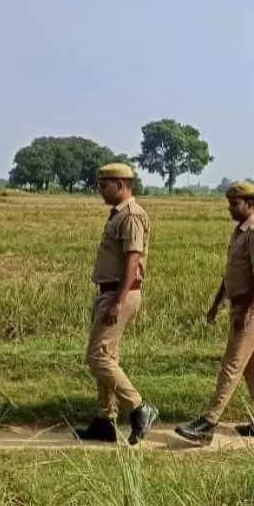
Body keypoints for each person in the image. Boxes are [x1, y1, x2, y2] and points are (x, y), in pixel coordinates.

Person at [175, 181, 254, 445]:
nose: (230, 208)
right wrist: (216, 304)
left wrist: (248, 311)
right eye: (229, 203)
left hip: (252, 305)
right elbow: (230, 274)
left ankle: (209, 422)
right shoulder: (240, 232)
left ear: (250, 204)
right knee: (253, 365)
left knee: (232, 363)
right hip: (240, 305)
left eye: (235, 203)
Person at [74, 162, 159, 444]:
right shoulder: (118, 215)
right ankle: (104, 420)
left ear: (121, 185)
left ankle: (138, 407)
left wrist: (117, 302)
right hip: (109, 292)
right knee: (107, 356)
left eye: (105, 185)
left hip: (119, 293)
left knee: (97, 357)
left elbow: (133, 261)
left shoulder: (132, 216)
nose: (100, 190)